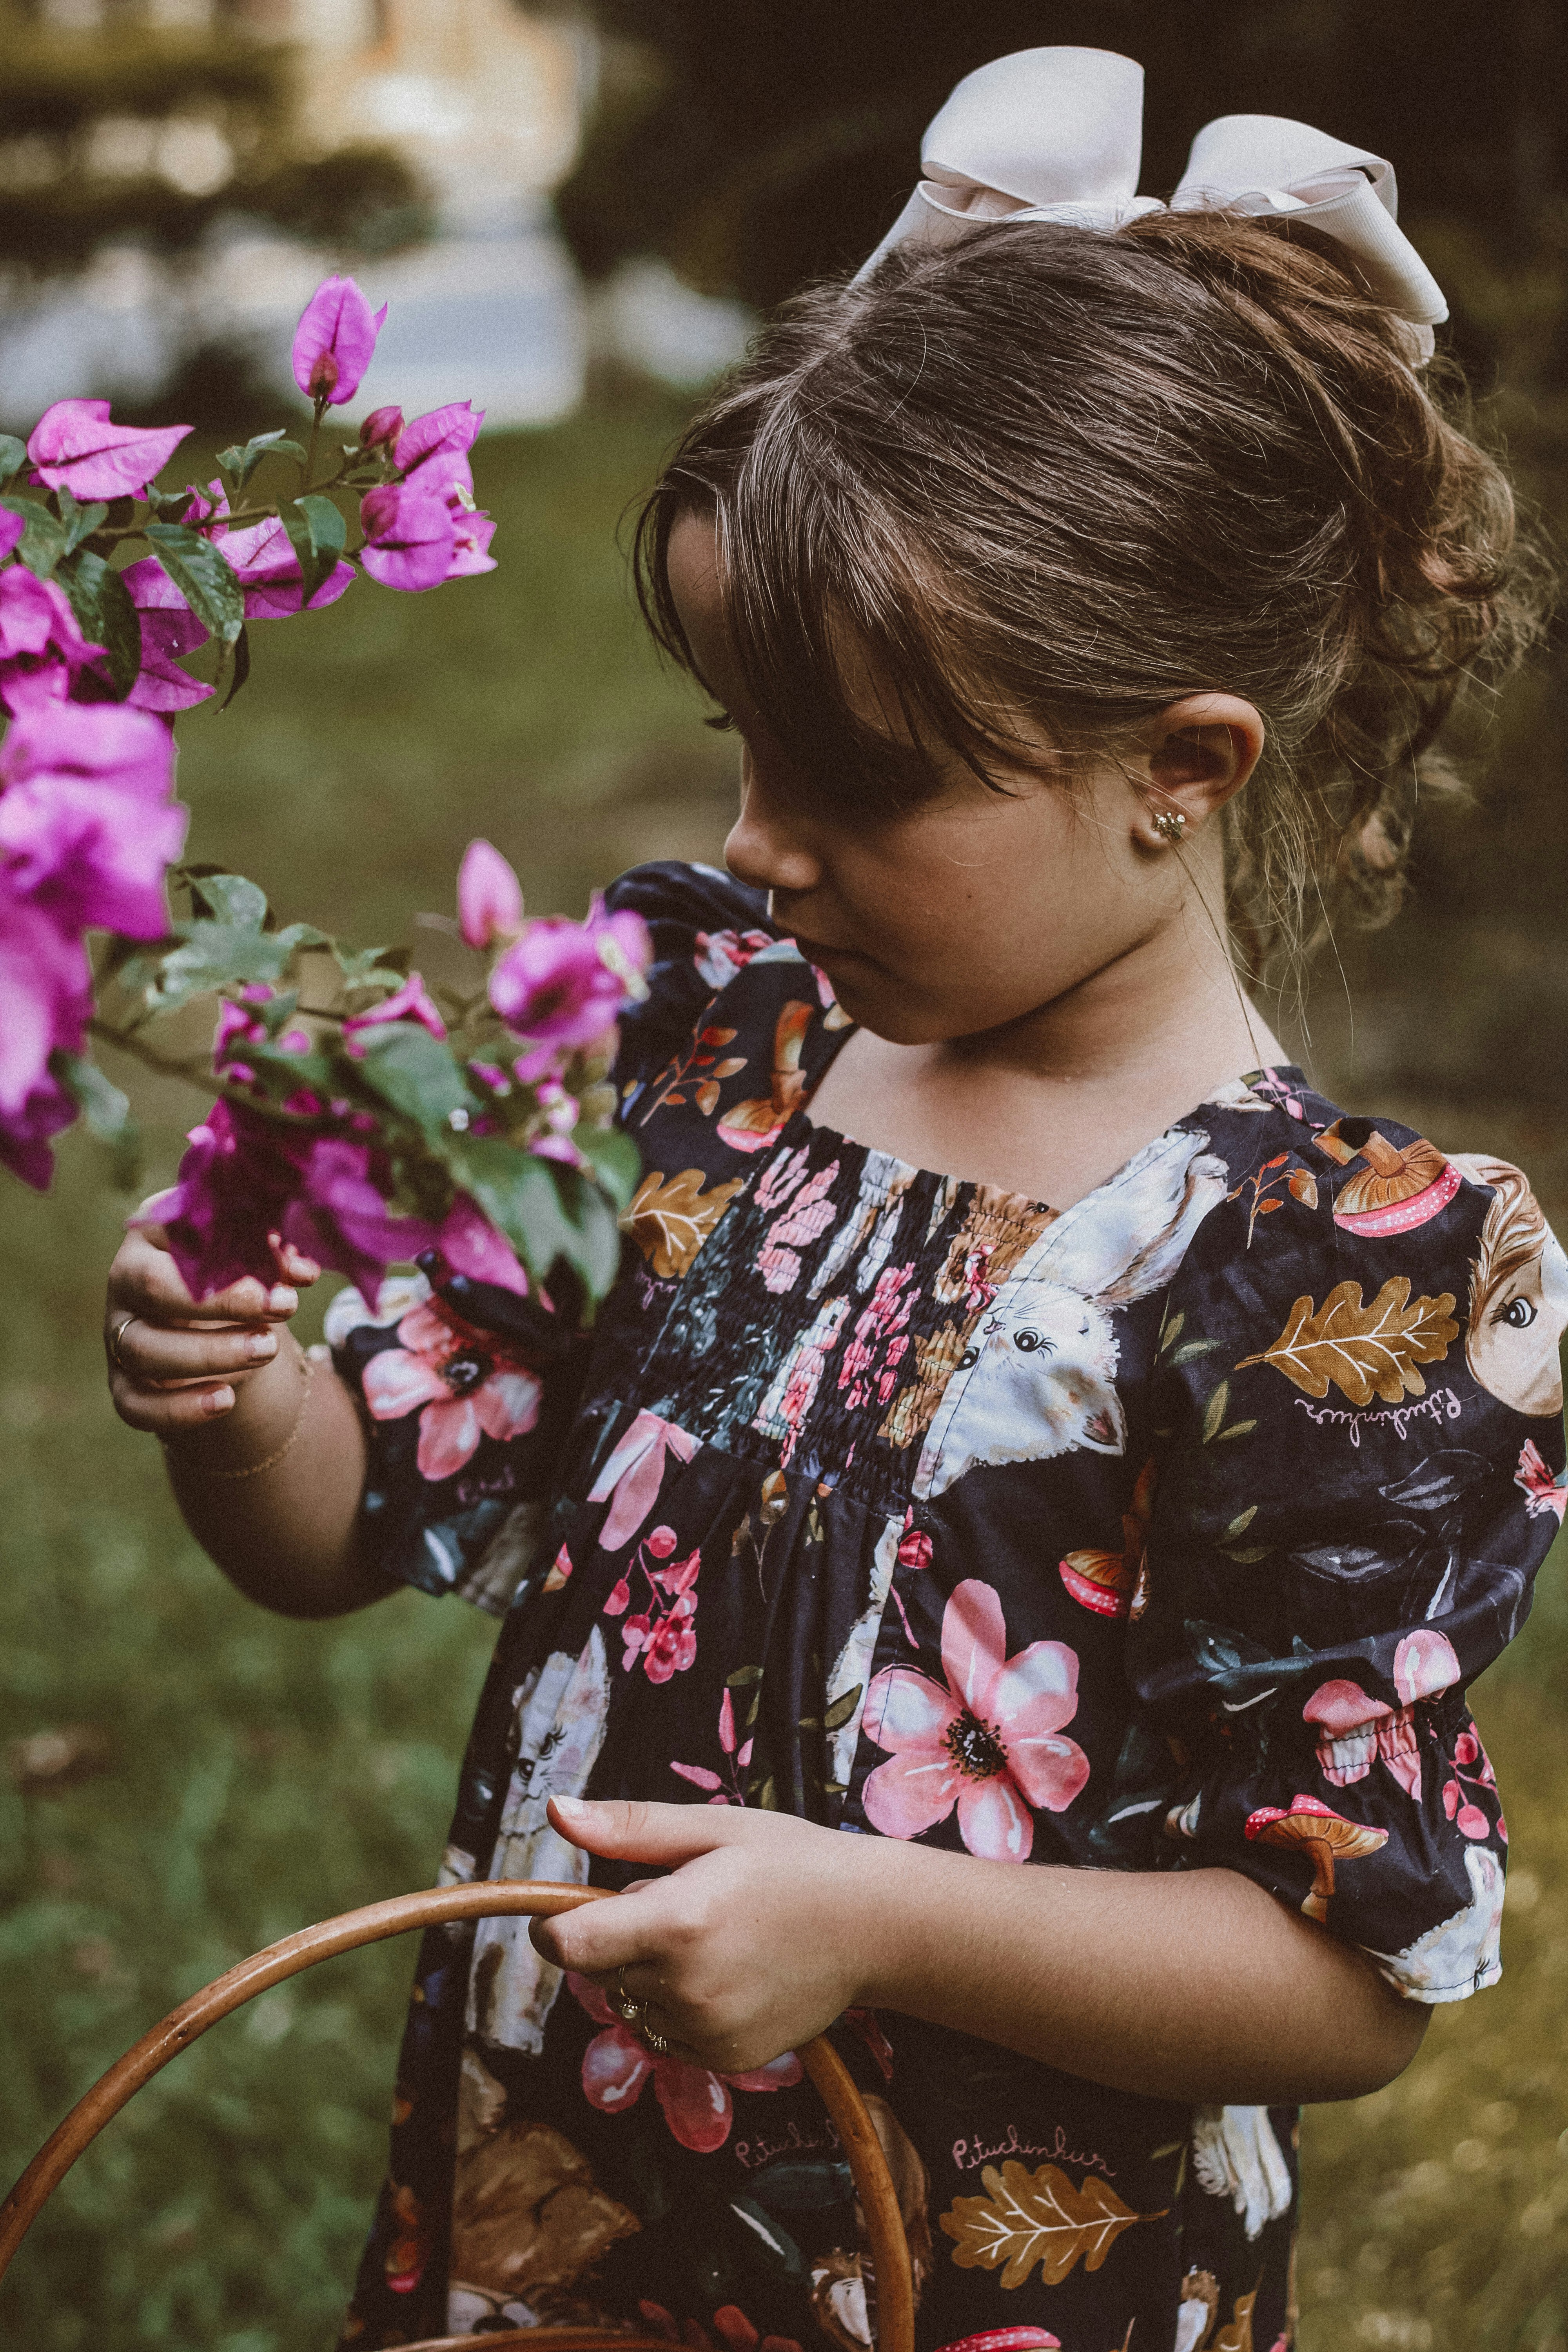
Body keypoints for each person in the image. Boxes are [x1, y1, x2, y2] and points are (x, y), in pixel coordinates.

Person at [101, 48, 1565, 2352]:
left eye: (862, 779)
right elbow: (342, 1524)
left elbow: (1341, 1974)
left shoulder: (1333, 1277)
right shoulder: (711, 1032)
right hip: (553, 2189)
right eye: (740, 745)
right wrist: (243, 1400)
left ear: (1178, 771)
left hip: (973, 2279)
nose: (768, 839)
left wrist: (873, 1918)